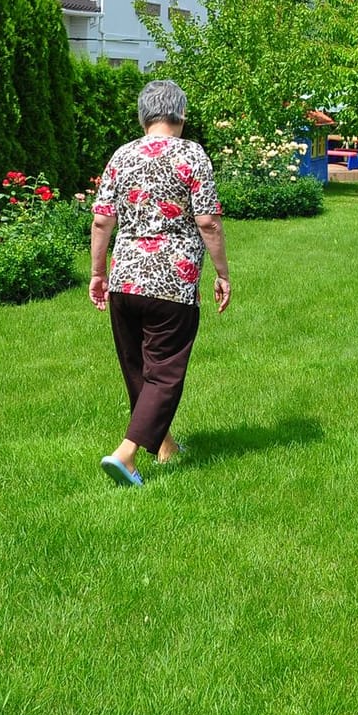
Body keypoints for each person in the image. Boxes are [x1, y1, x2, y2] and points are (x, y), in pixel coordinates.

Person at [88, 79, 231, 486]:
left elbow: (101, 220)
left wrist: (98, 274)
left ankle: (164, 445)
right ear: (181, 115)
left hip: (125, 281)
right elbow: (207, 221)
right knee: (165, 371)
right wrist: (222, 274)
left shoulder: (122, 155)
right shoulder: (192, 154)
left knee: (138, 368)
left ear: (143, 115)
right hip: (173, 283)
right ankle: (127, 455)